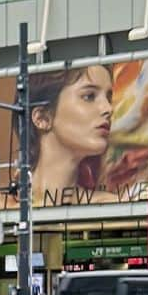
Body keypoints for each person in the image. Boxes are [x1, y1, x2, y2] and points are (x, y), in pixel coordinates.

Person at [25, 65, 113, 205]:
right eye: (89, 96)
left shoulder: (112, 207)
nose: (108, 108)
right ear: (42, 118)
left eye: (109, 97)